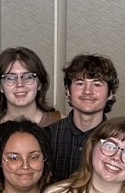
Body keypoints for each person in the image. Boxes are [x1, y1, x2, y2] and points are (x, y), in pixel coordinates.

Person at [0, 47, 61, 159]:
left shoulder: (60, 121)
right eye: (10, 78)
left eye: (28, 77)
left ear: (39, 84)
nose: (19, 84)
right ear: (0, 87)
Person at [48, 53, 119, 181]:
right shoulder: (47, 135)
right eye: (80, 83)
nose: (87, 91)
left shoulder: (119, 141)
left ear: (110, 94)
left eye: (96, 84)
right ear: (68, 91)